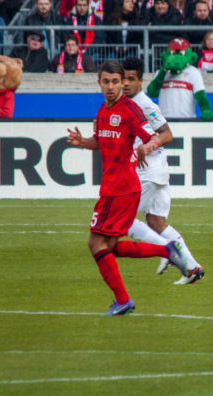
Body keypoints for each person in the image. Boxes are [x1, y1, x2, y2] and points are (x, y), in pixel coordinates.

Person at [66, 60, 187, 316]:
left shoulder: (130, 110)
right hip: (114, 186)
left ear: (123, 83)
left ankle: (123, 299)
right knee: (108, 246)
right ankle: (166, 250)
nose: (110, 87)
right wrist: (82, 142)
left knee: (95, 243)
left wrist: (147, 147)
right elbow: (100, 141)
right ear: (99, 82)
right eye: (106, 82)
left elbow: (154, 136)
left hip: (120, 187)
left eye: (115, 82)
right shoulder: (102, 110)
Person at [121, 57, 205, 285]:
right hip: (157, 171)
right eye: (123, 79)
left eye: (131, 79)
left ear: (140, 80)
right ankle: (193, 268)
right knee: (156, 222)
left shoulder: (145, 104)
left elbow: (167, 134)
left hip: (148, 171)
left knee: (123, 220)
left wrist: (149, 146)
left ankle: (168, 250)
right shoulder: (126, 104)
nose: (126, 84)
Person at [147, 37, 213, 119]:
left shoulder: (193, 72)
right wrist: (162, 71)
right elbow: (152, 93)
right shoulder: (160, 72)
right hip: (164, 121)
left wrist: (205, 109)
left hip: (187, 120)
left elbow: (200, 95)